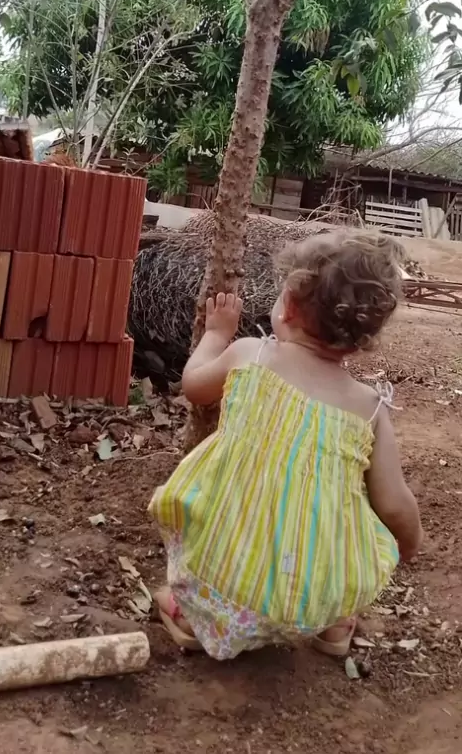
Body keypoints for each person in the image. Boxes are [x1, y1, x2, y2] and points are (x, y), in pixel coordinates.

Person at [149, 228, 423, 660]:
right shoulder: (369, 409)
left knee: (216, 527)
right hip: (314, 601)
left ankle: (190, 616)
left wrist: (216, 335)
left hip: (232, 588)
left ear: (290, 305)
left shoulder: (251, 355)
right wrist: (409, 546)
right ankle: (334, 623)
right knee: (339, 517)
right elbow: (393, 504)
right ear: (365, 335)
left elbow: (195, 387)